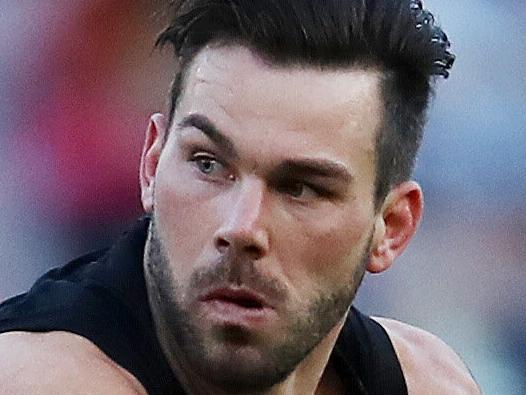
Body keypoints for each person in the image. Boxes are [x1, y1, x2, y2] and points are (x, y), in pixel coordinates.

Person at [0, 0, 480, 394]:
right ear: (152, 164)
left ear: (391, 229)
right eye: (207, 164)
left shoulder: (427, 382)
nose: (241, 226)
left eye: (302, 188)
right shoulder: (41, 377)